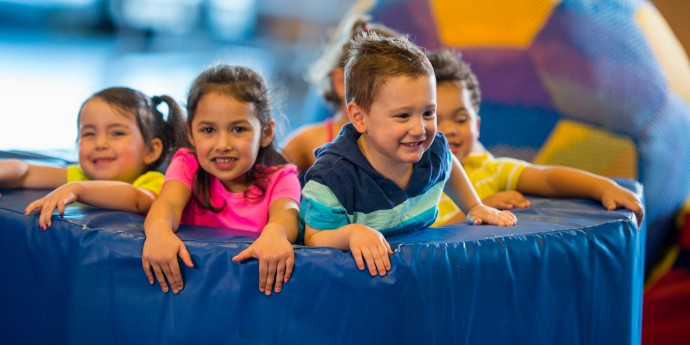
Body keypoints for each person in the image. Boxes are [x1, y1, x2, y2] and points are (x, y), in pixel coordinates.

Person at [300, 32, 517, 278]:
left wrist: (473, 206)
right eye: (403, 116)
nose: (419, 129)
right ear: (360, 118)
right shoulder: (333, 177)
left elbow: (447, 163)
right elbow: (313, 238)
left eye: (428, 113)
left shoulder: (432, 150)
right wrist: (351, 234)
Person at [427, 48, 645, 225]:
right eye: (435, 119)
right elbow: (417, 243)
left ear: (476, 125)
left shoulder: (490, 170)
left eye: (461, 119)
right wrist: (479, 207)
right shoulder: (414, 180)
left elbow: (548, 178)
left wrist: (605, 187)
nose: (449, 129)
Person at [142, 65, 301, 297]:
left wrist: (275, 233)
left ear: (266, 132)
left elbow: (286, 215)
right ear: (190, 133)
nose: (223, 144)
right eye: (208, 130)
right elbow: (167, 203)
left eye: (238, 129)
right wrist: (158, 231)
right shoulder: (188, 164)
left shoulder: (281, 178)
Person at [0, 87, 186, 230]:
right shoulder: (82, 175)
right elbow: (25, 172)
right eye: (89, 134)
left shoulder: (154, 182)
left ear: (151, 151)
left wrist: (78, 190)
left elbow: (136, 199)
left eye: (117, 133)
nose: (100, 143)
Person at [282, 16, 400, 173]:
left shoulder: (398, 140)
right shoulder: (308, 141)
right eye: (375, 81)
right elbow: (268, 186)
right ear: (340, 82)